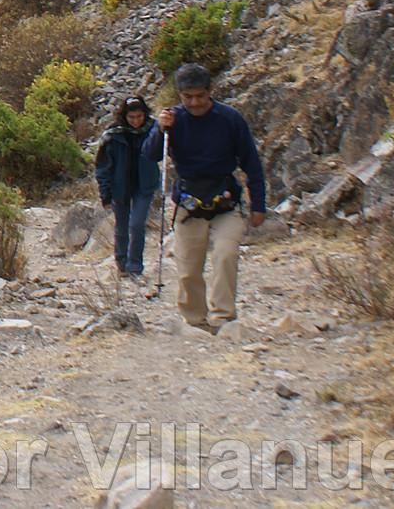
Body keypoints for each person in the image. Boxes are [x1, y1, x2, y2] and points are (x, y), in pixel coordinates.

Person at [143, 62, 269, 331]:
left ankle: (224, 317)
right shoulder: (172, 120)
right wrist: (159, 129)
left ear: (210, 91)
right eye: (188, 97)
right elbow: (151, 154)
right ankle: (195, 320)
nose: (195, 102)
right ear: (180, 94)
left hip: (226, 200)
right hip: (189, 202)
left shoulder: (230, 119)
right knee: (189, 267)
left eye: (200, 96)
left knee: (226, 254)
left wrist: (258, 204)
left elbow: (251, 163)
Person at [94, 96, 156, 279]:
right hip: (120, 187)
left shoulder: (153, 130)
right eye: (132, 117)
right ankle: (122, 264)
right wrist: (105, 194)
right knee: (121, 228)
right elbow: (102, 167)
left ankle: (135, 266)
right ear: (124, 116)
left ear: (145, 114)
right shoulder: (113, 135)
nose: (136, 121)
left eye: (139, 116)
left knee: (136, 225)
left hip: (144, 185)